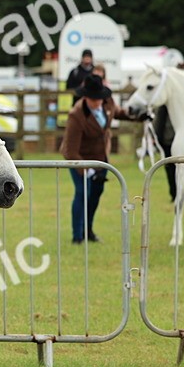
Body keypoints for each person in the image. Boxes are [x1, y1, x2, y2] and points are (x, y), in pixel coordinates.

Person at [61, 74, 133, 243]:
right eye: (94, 99)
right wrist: (87, 169)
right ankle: (77, 237)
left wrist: (137, 116)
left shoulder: (107, 102)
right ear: (85, 97)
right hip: (79, 159)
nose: (98, 102)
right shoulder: (76, 115)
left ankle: (89, 231)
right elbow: (70, 151)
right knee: (82, 193)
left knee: (95, 195)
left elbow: (119, 113)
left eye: (99, 97)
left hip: (100, 159)